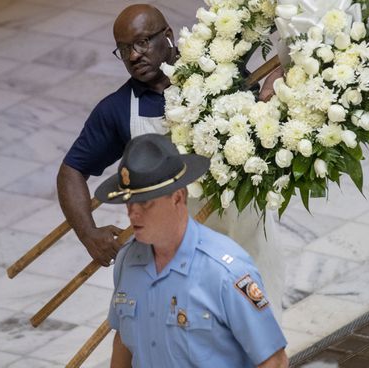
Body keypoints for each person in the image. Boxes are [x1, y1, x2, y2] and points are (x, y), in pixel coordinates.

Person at [57, 4, 285, 317]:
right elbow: (71, 170)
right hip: (182, 254)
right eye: (124, 49)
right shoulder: (118, 110)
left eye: (142, 42)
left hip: (248, 234)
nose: (134, 55)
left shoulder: (215, 69)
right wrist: (87, 233)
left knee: (263, 340)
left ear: (168, 36)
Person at [97, 134, 288, 368]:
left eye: (145, 203)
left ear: (178, 197)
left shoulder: (226, 272)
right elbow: (123, 344)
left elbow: (274, 360)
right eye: (129, 203)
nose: (133, 214)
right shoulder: (127, 261)